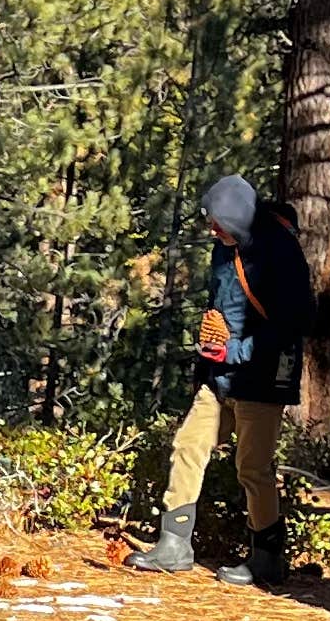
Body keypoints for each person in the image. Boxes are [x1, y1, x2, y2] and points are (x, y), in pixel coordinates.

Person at [133, 174, 314, 583]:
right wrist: (210, 356)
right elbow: (222, 308)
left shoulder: (281, 254)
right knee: (188, 445)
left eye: (218, 222)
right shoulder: (222, 251)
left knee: (252, 467)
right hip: (219, 378)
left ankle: (267, 559)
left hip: (263, 380)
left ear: (237, 217)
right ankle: (174, 546)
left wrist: (232, 351)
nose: (212, 230)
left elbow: (292, 326)